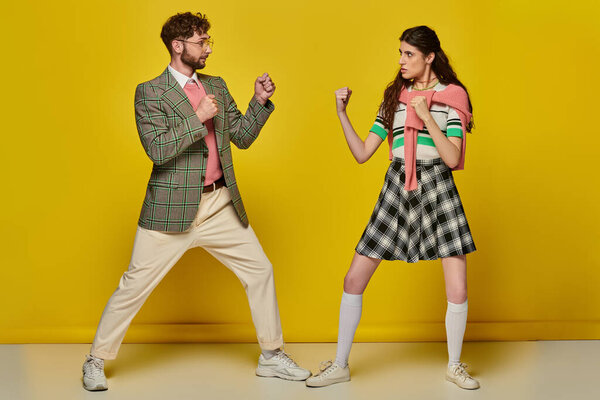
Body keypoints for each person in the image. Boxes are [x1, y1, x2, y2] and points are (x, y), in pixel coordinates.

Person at [82, 12, 310, 391]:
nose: (207, 48)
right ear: (178, 45)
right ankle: (96, 359)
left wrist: (259, 101)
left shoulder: (216, 85)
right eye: (201, 41)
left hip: (220, 202)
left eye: (207, 41)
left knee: (260, 270)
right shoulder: (150, 92)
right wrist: (196, 116)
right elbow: (157, 150)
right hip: (170, 209)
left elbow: (242, 136)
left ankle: (271, 356)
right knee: (133, 284)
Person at [305, 26, 479, 390]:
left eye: (408, 55)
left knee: (457, 287)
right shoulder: (394, 97)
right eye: (399, 53)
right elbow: (363, 153)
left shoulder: (453, 96)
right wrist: (341, 113)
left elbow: (452, 157)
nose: (401, 61)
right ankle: (340, 364)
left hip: (437, 185)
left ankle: (454, 365)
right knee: (353, 278)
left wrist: (427, 114)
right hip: (397, 184)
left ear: (429, 56)